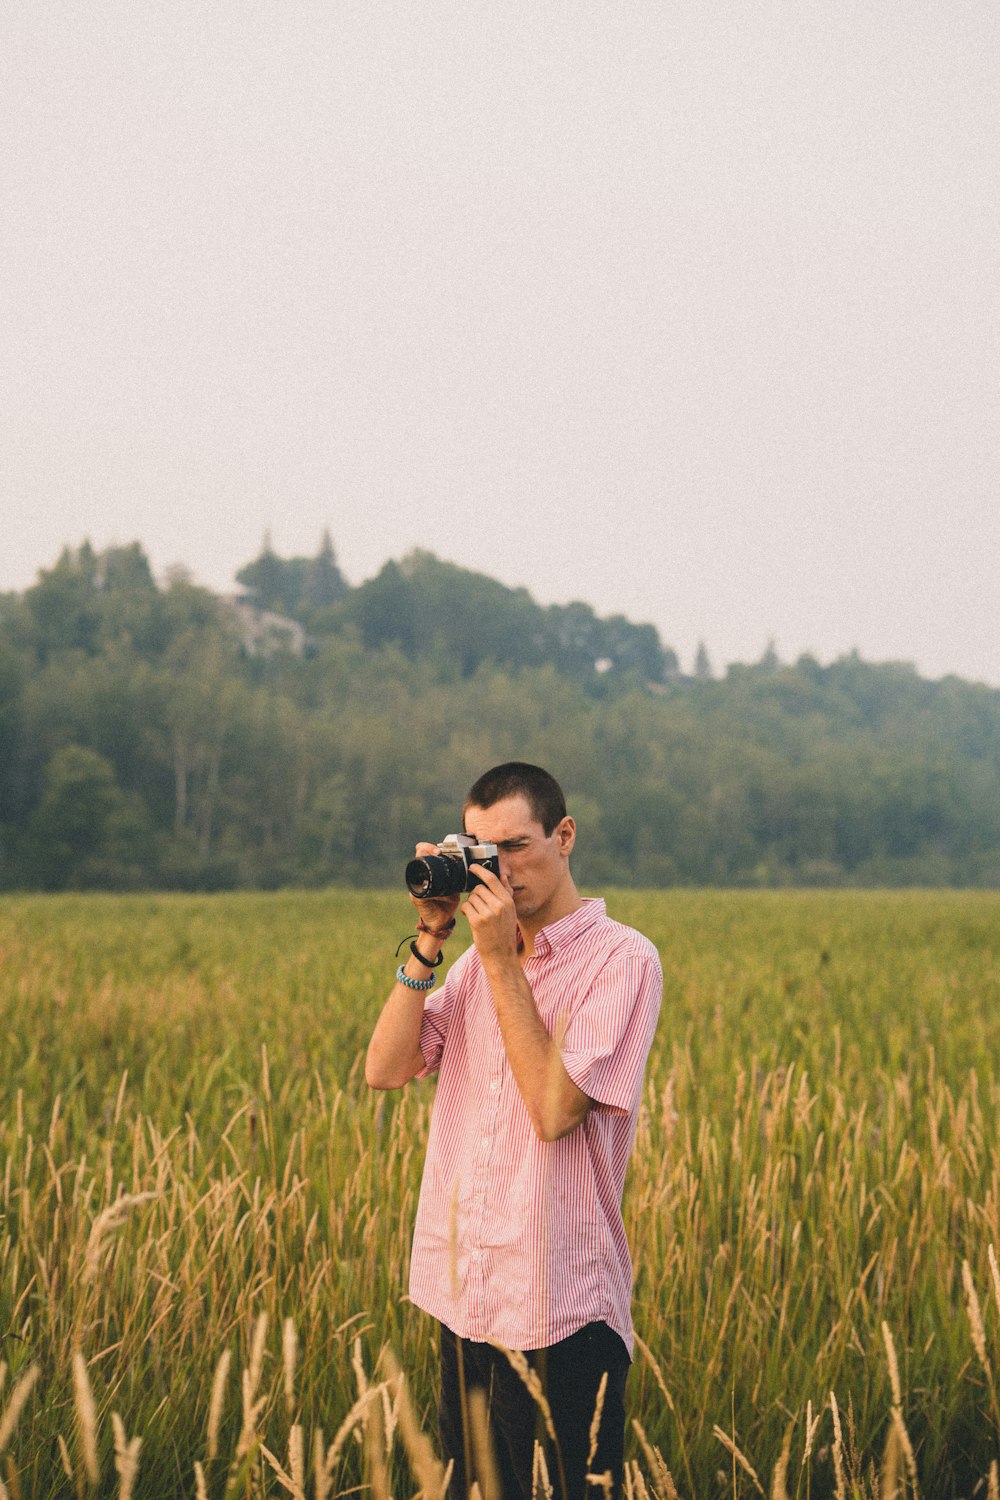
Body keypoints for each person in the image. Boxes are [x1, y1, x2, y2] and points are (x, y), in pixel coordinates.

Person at [366, 762, 662, 1500]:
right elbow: (385, 1068)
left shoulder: (622, 960)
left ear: (564, 837)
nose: (500, 869)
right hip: (467, 1291)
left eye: (516, 846)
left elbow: (556, 1111)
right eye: (479, 850)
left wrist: (501, 961)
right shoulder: (466, 969)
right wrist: (432, 938)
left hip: (562, 1304)